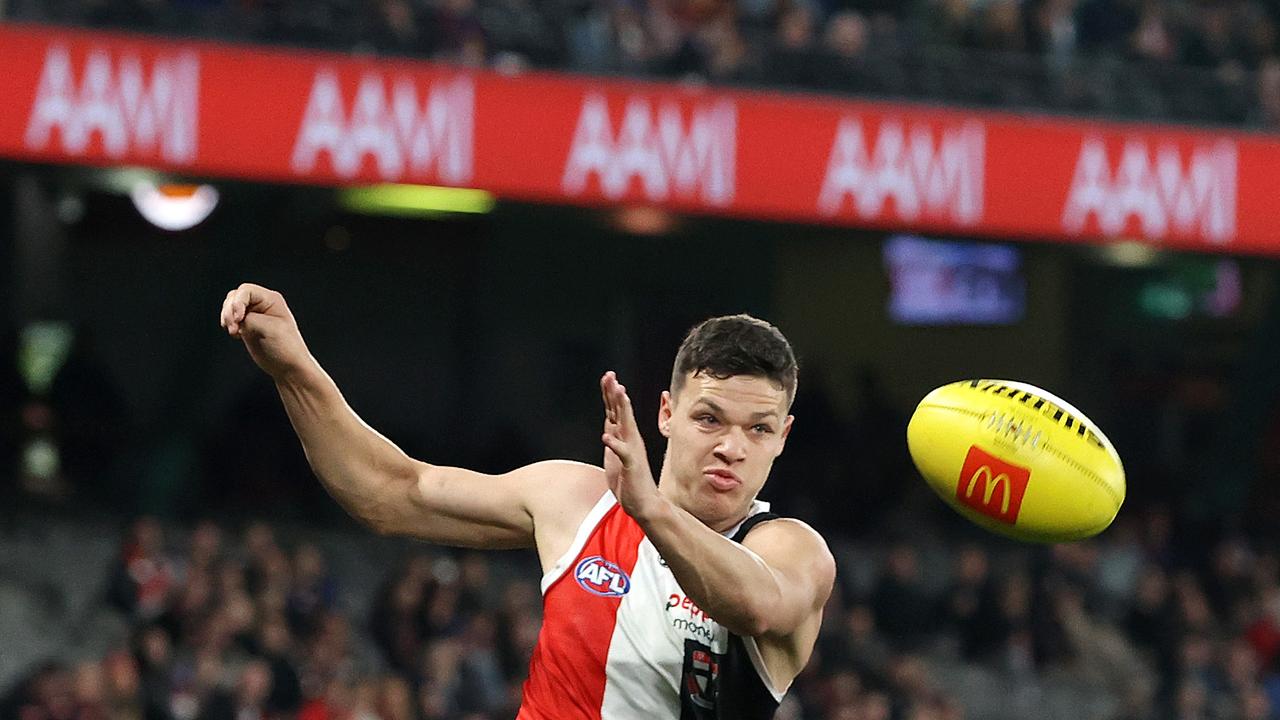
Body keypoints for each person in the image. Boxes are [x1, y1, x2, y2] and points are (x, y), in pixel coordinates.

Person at [219, 283, 836, 719]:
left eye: (758, 428)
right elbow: (390, 492)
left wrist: (649, 507)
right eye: (710, 419)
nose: (733, 446)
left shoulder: (792, 550)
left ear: (782, 436)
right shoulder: (577, 498)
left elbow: (755, 605)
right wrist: (295, 371)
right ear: (667, 414)